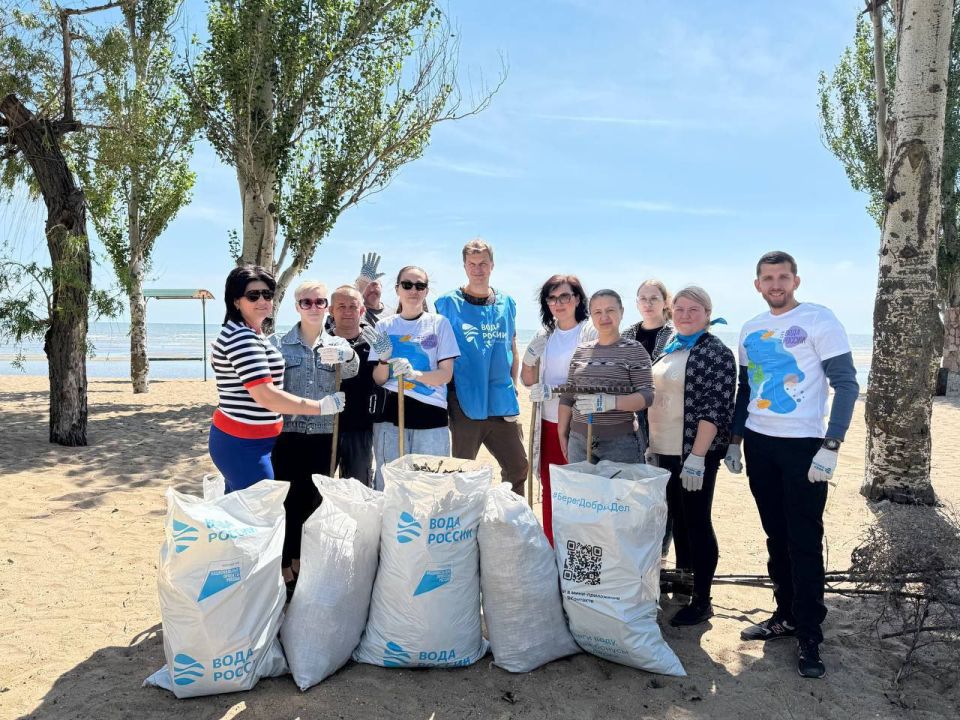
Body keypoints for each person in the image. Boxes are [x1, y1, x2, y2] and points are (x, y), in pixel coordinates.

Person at [727, 251, 859, 679]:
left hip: (804, 446)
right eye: (768, 278)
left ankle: (809, 633)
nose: (776, 284)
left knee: (803, 539)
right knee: (775, 535)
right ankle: (784, 615)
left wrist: (832, 444)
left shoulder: (821, 320)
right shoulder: (750, 330)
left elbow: (846, 385)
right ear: (758, 285)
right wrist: (735, 439)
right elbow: (746, 391)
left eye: (783, 277)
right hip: (760, 446)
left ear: (795, 281)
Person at [208, 266, 343, 495]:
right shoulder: (242, 337)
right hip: (243, 443)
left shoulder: (252, 333)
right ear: (236, 301)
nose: (262, 300)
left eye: (267, 294)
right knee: (258, 514)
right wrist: (321, 407)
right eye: (253, 295)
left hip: (252, 442)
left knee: (241, 513)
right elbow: (266, 396)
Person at [646, 286, 735, 627]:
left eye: (693, 309)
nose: (684, 314)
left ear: (707, 313)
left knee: (697, 522)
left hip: (691, 453)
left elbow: (716, 408)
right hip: (661, 449)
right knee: (677, 521)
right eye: (679, 308)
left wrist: (697, 457)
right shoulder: (669, 345)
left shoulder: (715, 351)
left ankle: (702, 600)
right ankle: (684, 584)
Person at [270, 280, 358, 589]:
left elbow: (352, 370)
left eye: (320, 302)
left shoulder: (335, 344)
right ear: (297, 306)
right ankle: (283, 563)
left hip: (323, 435)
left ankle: (300, 561)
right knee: (287, 501)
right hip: (287, 433)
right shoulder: (278, 343)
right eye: (306, 302)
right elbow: (267, 388)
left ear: (326, 307)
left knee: (312, 501)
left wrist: (346, 357)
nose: (313, 307)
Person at [434, 239, 529, 494]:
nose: (478, 269)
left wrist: (514, 383)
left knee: (518, 466)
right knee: (462, 470)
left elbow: (512, 345)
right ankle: (461, 525)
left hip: (500, 396)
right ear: (464, 266)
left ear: (492, 266)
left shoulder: (506, 302)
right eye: (472, 264)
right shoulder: (446, 303)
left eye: (483, 264)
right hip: (464, 397)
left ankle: (511, 517)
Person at [365, 266, 460, 489]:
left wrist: (415, 374)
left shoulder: (439, 324)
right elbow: (378, 380)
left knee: (430, 487)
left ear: (427, 291)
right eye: (407, 285)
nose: (413, 290)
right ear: (397, 289)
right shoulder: (384, 326)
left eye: (420, 286)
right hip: (390, 418)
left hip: (431, 417)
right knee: (390, 486)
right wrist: (383, 360)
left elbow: (445, 375)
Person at [521, 274, 597, 545]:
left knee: (579, 489)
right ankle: (553, 549)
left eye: (564, 296)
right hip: (547, 423)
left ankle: (578, 550)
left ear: (577, 299)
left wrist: (555, 390)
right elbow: (528, 380)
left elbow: (592, 378)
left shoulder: (589, 331)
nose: (558, 303)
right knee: (551, 488)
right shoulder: (545, 335)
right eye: (552, 298)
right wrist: (530, 358)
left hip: (579, 424)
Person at [558, 289, 654, 464]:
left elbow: (647, 396)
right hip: (578, 441)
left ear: (622, 312)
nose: (604, 317)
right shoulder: (581, 350)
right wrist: (562, 432)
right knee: (581, 492)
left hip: (620, 443)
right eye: (597, 312)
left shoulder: (635, 350)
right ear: (591, 316)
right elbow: (567, 395)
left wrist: (610, 402)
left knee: (619, 492)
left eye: (610, 310)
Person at [623, 279, 675, 558]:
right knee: (638, 483)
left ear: (665, 302)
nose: (647, 303)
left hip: (664, 417)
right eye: (642, 298)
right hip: (632, 418)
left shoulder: (674, 335)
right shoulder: (628, 333)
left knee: (663, 487)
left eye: (654, 298)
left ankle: (663, 552)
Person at [328, 284, 385, 486]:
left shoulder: (374, 342)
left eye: (353, 307)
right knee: (318, 488)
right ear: (331, 310)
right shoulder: (322, 341)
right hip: (325, 427)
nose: (347, 312)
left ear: (362, 310)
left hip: (361, 428)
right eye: (341, 306)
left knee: (358, 487)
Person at [326, 252, 388, 333]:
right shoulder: (355, 311)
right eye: (367, 285)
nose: (371, 289)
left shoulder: (392, 312)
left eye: (374, 284)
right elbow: (332, 326)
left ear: (381, 287)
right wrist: (362, 284)